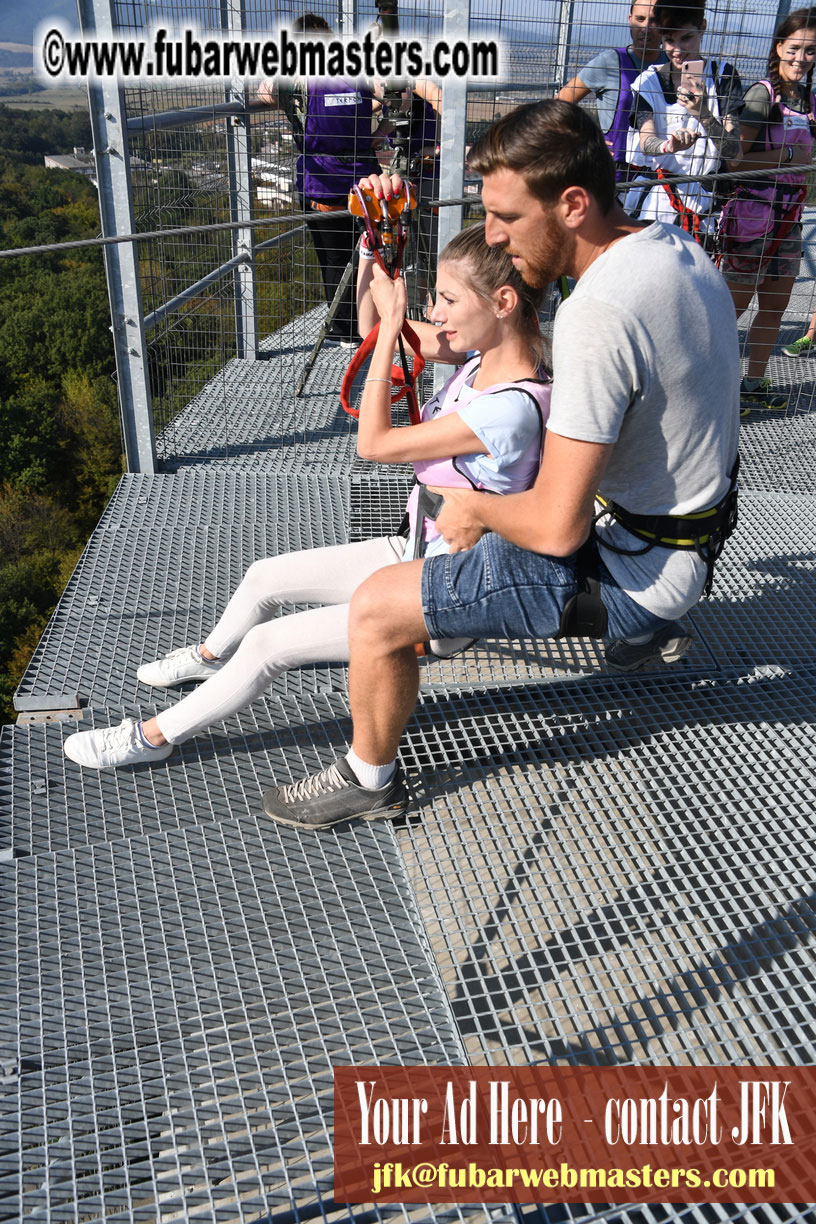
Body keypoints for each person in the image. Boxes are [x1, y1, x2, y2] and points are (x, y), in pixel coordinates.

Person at [258, 99, 741, 832]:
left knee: (379, 607)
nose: (492, 235)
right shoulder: (673, 248)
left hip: (636, 567)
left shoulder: (596, 315)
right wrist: (382, 264)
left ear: (572, 205)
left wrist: (478, 509)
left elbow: (555, 531)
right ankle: (649, 632)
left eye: (507, 217)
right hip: (694, 537)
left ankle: (368, 778)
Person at [62, 218, 551, 771]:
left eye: (447, 299)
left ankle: (152, 737)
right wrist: (369, 247)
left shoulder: (507, 409)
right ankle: (208, 657)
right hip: (417, 549)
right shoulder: (481, 356)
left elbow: (373, 442)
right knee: (263, 577)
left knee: (268, 646)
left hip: (445, 588)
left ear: (502, 302)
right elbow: (369, 326)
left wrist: (395, 325)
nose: (435, 312)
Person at [258, 13, 382, 345]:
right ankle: (373, 323)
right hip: (365, 180)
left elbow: (266, 93)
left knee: (334, 259)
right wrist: (377, 133)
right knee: (369, 254)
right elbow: (391, 98)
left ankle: (344, 332)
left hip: (320, 183)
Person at [718, 9, 816, 413]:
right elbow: (736, 160)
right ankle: (715, 388)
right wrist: (791, 156)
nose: (801, 58)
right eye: (794, 49)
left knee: (774, 307)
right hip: (753, 217)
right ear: (778, 48)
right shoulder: (763, 96)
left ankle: (752, 383)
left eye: (810, 51)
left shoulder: (807, 101)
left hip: (788, 219)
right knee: (731, 310)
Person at [623, 2, 743, 242]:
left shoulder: (722, 77)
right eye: (669, 40)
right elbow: (646, 141)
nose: (677, 50)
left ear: (702, 28)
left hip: (705, 204)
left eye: (686, 38)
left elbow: (734, 155)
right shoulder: (648, 82)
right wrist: (670, 146)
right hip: (655, 205)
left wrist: (703, 114)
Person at [557, 0, 664, 181]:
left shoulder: (674, 65)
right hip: (614, 174)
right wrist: (585, 139)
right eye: (640, 19)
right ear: (630, 20)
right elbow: (560, 102)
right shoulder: (610, 61)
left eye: (654, 20)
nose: (646, 28)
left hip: (662, 173)